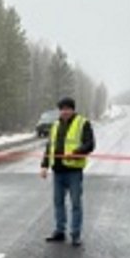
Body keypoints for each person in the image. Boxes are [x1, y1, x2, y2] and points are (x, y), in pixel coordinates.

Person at [40, 97, 96, 247]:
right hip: (57, 170)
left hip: (73, 171)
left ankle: (75, 234)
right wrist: (44, 165)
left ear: (73, 109)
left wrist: (76, 152)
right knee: (58, 203)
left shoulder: (83, 123)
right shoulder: (56, 125)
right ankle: (60, 231)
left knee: (75, 203)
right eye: (62, 109)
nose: (65, 112)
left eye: (67, 109)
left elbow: (90, 144)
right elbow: (49, 147)